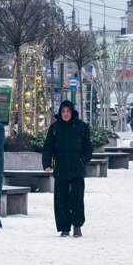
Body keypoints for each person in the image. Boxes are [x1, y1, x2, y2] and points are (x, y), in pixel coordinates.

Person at [42, 100, 92, 238]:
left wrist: (83, 160)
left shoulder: (81, 127)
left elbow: (88, 147)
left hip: (77, 169)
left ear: (72, 112)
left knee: (77, 198)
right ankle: (64, 227)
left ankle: (77, 226)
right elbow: (47, 147)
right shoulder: (55, 128)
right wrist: (47, 163)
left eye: (68, 111)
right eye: (63, 111)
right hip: (61, 168)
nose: (65, 114)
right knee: (61, 199)